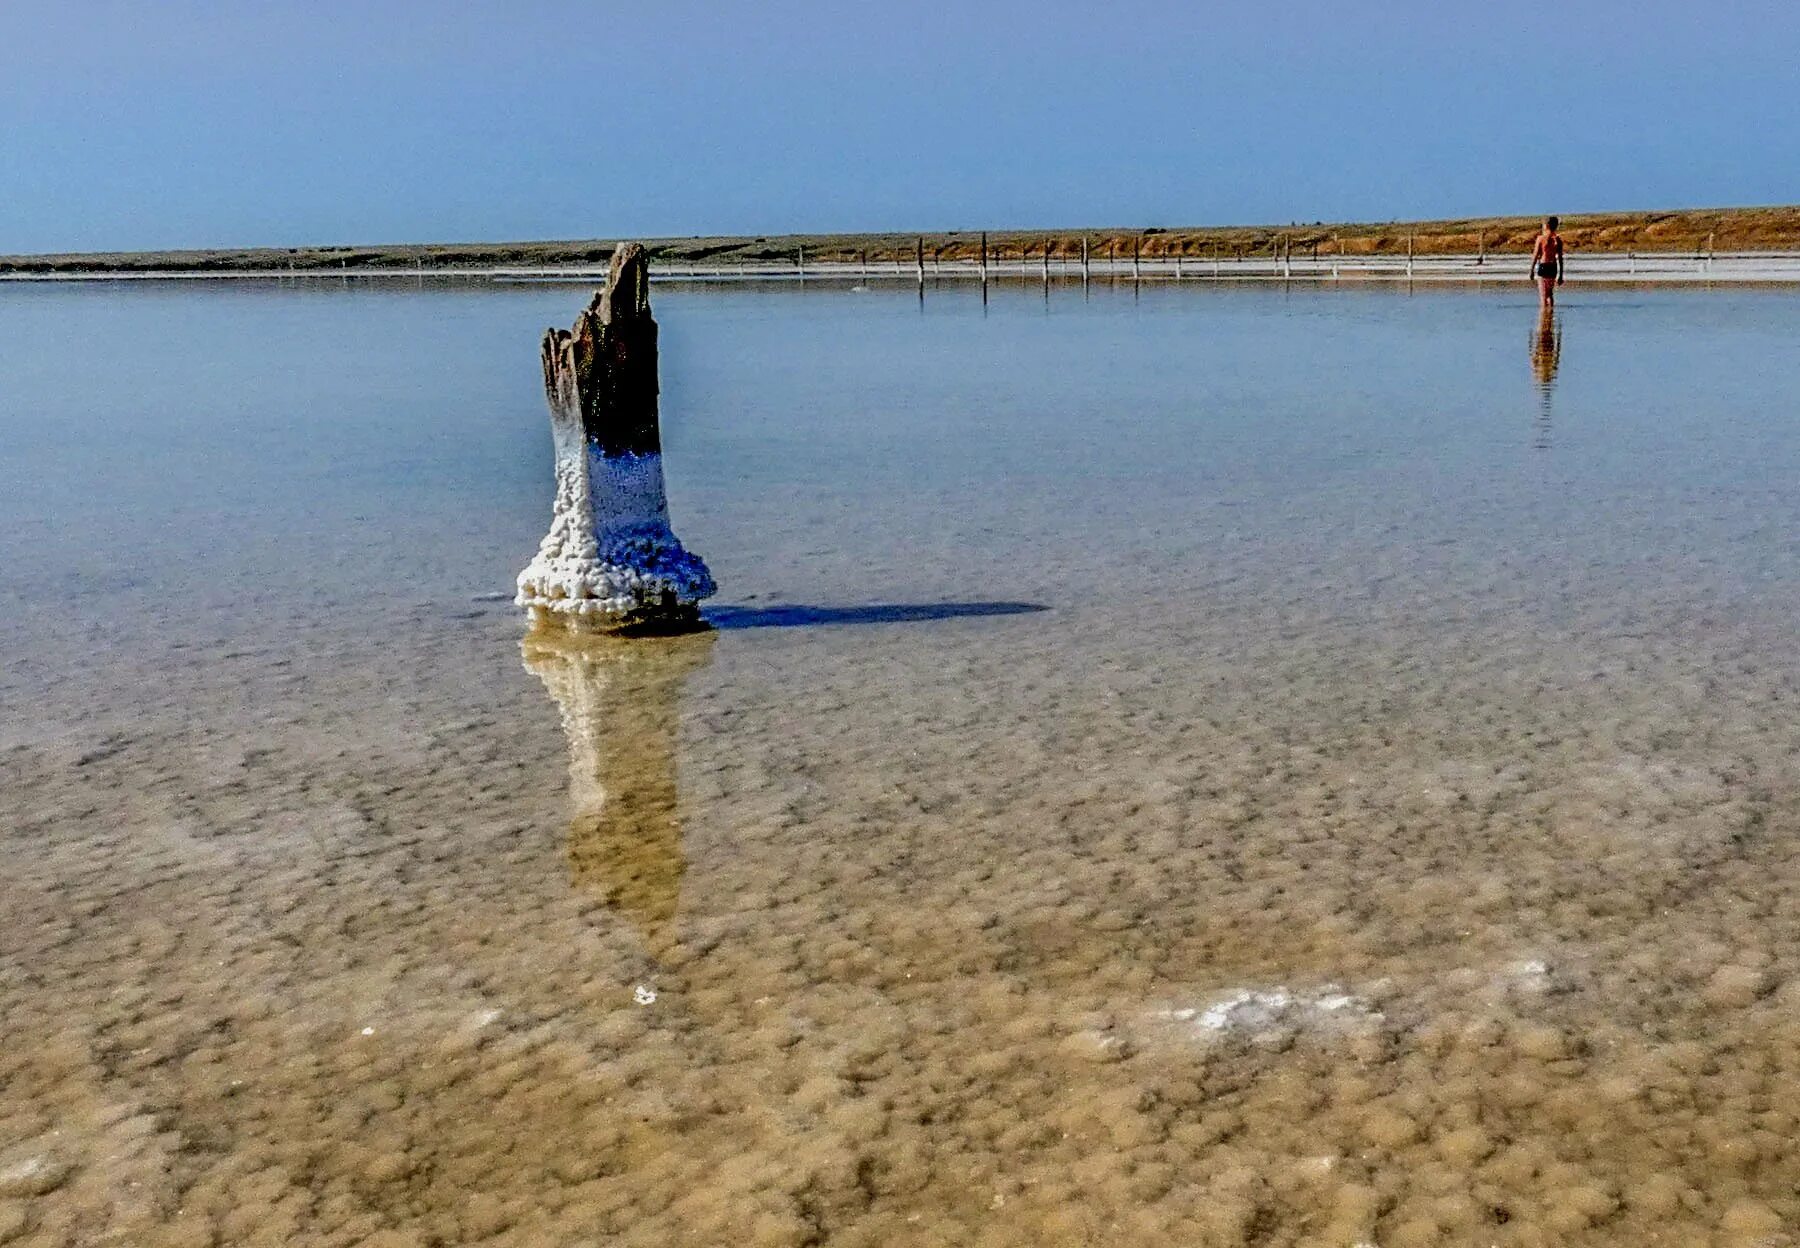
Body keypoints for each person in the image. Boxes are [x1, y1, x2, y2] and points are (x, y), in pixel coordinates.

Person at [1530, 216, 1565, 305]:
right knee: (1550, 294)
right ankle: (1550, 314)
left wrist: (1531, 270)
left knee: (1543, 296)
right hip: (1553, 267)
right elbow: (1560, 258)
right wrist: (1561, 275)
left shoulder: (1540, 239)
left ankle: (1544, 316)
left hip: (1543, 266)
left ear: (1547, 225)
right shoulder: (1558, 240)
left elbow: (1535, 255)